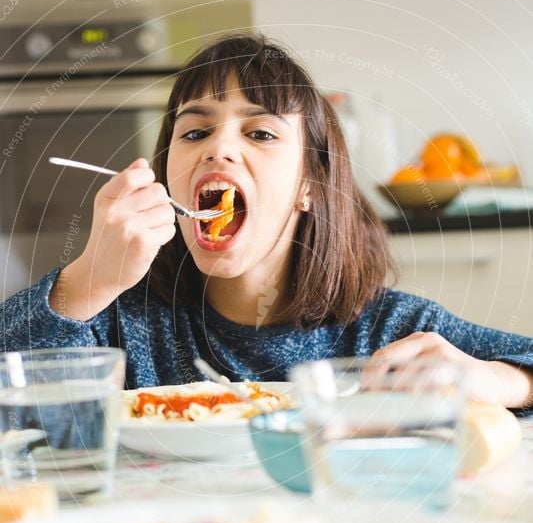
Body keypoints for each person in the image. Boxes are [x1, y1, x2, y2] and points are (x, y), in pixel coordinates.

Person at [1, 33, 532, 407]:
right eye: (194, 133)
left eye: (260, 133)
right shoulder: (116, 324)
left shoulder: (388, 332)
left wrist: (499, 381)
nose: (219, 149)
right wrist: (87, 278)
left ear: (308, 185)